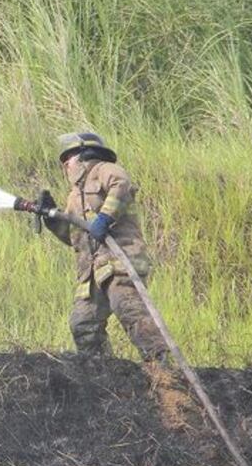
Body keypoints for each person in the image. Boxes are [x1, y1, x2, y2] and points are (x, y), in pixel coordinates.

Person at [42, 132, 170, 363]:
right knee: (82, 323)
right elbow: (75, 237)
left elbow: (121, 184)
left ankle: (161, 366)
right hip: (92, 273)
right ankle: (102, 372)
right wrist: (53, 221)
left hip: (121, 262)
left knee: (129, 309)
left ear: (82, 157)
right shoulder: (74, 197)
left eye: (67, 160)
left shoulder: (104, 169)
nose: (65, 167)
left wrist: (105, 217)